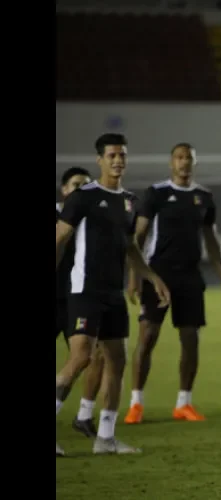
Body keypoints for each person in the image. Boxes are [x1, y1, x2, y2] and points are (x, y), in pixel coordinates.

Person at [55, 133, 171, 456]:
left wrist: (151, 277)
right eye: (111, 156)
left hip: (113, 294)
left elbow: (130, 247)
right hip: (85, 291)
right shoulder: (83, 197)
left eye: (122, 155)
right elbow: (59, 238)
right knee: (80, 357)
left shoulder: (130, 201)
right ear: (99, 160)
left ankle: (105, 438)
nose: (118, 160)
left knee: (117, 361)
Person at [123, 143, 221, 425]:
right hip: (157, 273)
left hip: (190, 276)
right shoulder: (156, 193)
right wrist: (135, 277)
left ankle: (183, 403)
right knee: (147, 337)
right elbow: (139, 236)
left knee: (190, 340)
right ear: (171, 162)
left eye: (189, 158)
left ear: (195, 163)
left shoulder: (204, 197)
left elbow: (211, 238)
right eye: (179, 158)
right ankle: (136, 402)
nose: (184, 163)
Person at [56, 166, 107, 439]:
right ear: (64, 190)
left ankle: (85, 415)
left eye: (86, 186)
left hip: (76, 298)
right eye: (76, 185)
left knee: (92, 357)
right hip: (58, 297)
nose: (80, 190)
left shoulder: (91, 216)